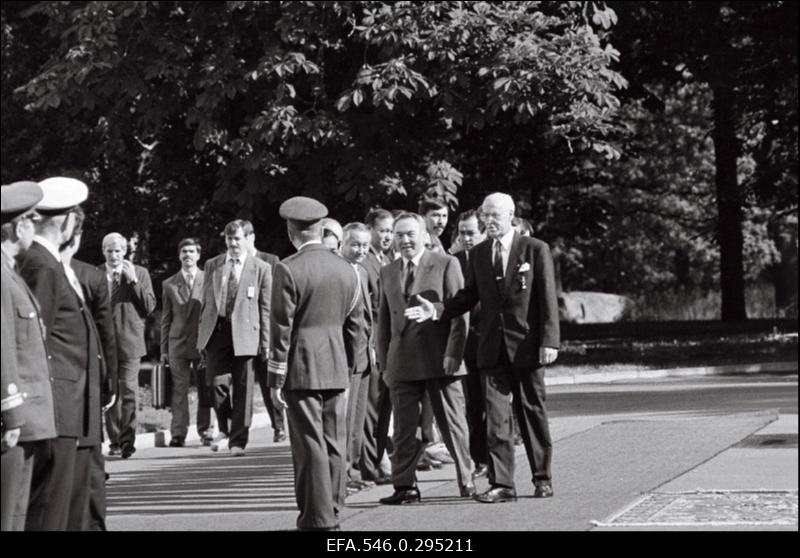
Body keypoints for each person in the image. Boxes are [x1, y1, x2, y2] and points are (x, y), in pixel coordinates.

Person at [405, 192, 560, 503]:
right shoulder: (479, 253)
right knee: (496, 417)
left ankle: (541, 478)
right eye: (485, 215)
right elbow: (468, 295)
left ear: (511, 215)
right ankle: (502, 483)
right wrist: (437, 310)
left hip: (527, 345)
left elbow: (547, 298)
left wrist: (550, 341)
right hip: (492, 347)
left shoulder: (534, 249)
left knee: (532, 413)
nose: (489, 221)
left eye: (495, 216)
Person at [267, 196, 363, 531]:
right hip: (337, 363)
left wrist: (275, 377)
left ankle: (318, 517)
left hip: (302, 366)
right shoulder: (348, 269)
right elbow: (356, 326)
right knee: (335, 440)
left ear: (291, 229)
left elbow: (281, 328)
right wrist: (350, 366)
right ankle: (334, 508)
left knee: (310, 443)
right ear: (322, 228)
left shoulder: (288, 268)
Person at [376, 212, 473, 505]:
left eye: (410, 234)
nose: (404, 240)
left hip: (439, 359)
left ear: (424, 236)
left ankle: (466, 480)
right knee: (405, 428)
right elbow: (383, 322)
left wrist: (454, 354)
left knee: (452, 424)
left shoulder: (446, 264)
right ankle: (405, 486)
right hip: (402, 362)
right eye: (399, 235)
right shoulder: (388, 271)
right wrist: (385, 364)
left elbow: (460, 315)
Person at [17, 176, 96, 530]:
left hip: (68, 401)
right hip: (57, 401)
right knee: (50, 506)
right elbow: (36, 339)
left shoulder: (45, 261)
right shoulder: (42, 265)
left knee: (65, 505)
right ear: (66, 222)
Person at [1, 181, 57, 531]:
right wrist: (12, 412)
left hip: (25, 417)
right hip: (13, 420)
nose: (33, 231)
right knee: (7, 516)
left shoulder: (10, 272)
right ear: (19, 226)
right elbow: (3, 345)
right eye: (32, 223)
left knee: (18, 515)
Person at [60, 207, 115, 530]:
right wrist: (110, 382)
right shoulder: (92, 276)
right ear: (77, 235)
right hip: (86, 381)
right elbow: (105, 335)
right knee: (89, 460)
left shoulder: (25, 268)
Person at [196, 220, 271, 456]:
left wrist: (266, 343)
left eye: (237, 238)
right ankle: (225, 427)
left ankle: (238, 440)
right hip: (217, 332)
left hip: (247, 334)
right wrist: (201, 337)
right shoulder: (213, 265)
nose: (233, 243)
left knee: (243, 388)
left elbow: (265, 308)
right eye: (229, 239)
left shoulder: (260, 268)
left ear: (248, 238)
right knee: (216, 384)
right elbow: (206, 303)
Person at [101, 232, 157, 459]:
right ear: (103, 251)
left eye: (118, 251)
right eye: (109, 251)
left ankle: (127, 441)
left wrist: (133, 280)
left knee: (129, 391)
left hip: (130, 341)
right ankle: (114, 440)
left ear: (125, 252)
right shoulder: (95, 274)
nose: (114, 255)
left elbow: (150, 306)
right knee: (109, 392)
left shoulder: (140, 273)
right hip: (104, 342)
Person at [160, 238, 213, 447]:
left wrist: (210, 342)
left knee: (204, 389)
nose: (188, 255)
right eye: (184, 252)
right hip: (177, 344)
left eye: (191, 251)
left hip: (202, 344)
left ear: (198, 255)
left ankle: (206, 431)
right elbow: (166, 318)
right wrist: (164, 348)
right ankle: (178, 433)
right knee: (179, 390)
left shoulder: (208, 279)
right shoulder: (169, 284)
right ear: (179, 256)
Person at [359, 209, 395, 483]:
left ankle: (380, 459)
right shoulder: (365, 262)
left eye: (390, 231)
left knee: (385, 407)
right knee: (371, 408)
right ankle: (369, 465)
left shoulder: (389, 258)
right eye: (383, 230)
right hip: (373, 343)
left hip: (391, 343)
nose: (387, 236)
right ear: (370, 229)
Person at [242, 222, 286, 443]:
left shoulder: (271, 261)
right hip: (244, 335)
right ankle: (241, 430)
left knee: (270, 382)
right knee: (244, 384)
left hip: (267, 332)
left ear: (251, 237)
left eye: (241, 237)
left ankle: (279, 426)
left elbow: (278, 299)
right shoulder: (234, 264)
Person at [452, 209, 488, 479]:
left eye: (471, 233)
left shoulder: (494, 257)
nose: (465, 238)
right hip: (466, 345)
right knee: (473, 406)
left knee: (495, 405)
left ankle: (496, 454)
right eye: (462, 233)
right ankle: (480, 459)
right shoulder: (453, 262)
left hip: (492, 339)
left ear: (483, 231)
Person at [340, 222, 376, 493]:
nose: (361, 249)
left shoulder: (362, 272)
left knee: (357, 419)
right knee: (344, 418)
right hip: (344, 357)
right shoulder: (338, 271)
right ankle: (341, 476)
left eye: (365, 245)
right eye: (355, 244)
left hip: (364, 355)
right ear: (343, 243)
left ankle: (352, 470)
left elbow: (367, 316)